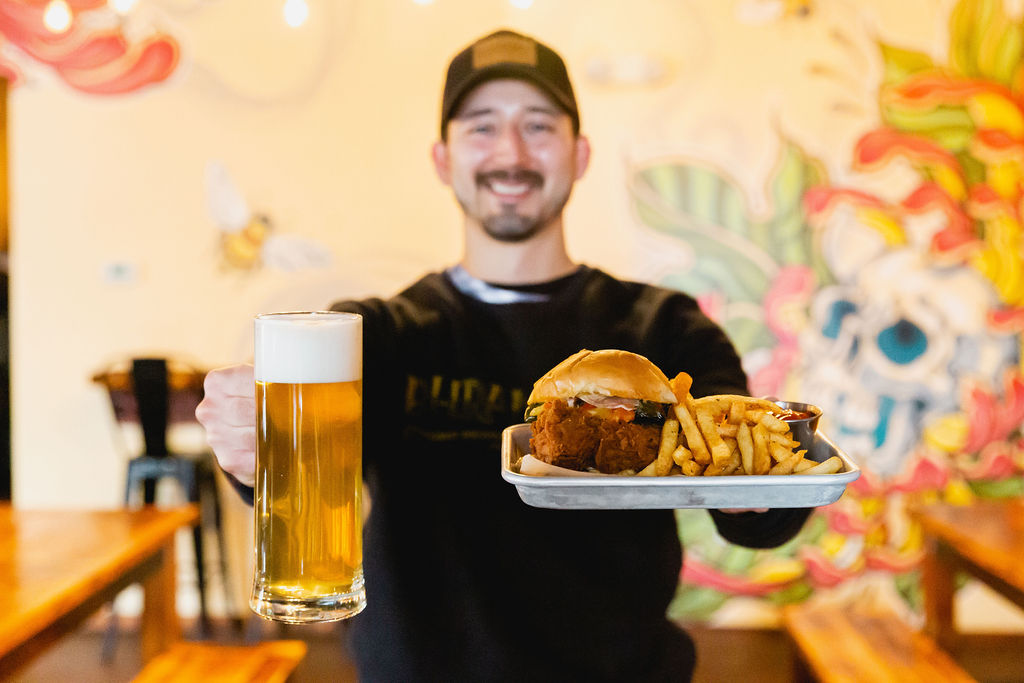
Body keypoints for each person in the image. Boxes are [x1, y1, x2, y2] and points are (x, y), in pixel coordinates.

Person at [197, 29, 812, 682]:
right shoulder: (375, 332)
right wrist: (254, 448)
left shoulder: (665, 327)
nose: (511, 153)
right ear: (443, 158)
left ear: (579, 155)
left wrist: (760, 490)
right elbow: (298, 466)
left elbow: (762, 513)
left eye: (538, 127)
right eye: (482, 128)